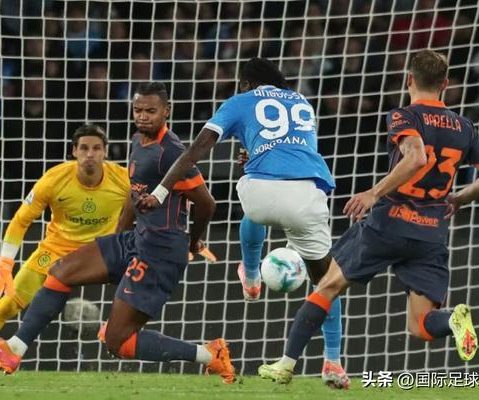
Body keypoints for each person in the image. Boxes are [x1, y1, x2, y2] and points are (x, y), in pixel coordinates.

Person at [258, 49, 479, 384]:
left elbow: (416, 157)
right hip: (431, 232)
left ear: (409, 80)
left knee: (327, 285)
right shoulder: (464, 126)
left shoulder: (405, 116)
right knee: (420, 326)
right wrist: (458, 199)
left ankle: (286, 364)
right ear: (445, 84)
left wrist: (373, 193)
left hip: (390, 222)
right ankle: (452, 321)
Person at [0, 82, 235, 384]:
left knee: (117, 341)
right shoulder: (138, 141)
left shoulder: (171, 152)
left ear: (166, 112)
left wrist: (193, 241)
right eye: (138, 110)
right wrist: (116, 242)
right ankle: (14, 349)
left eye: (150, 111)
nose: (143, 116)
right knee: (60, 271)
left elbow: (207, 204)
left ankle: (210, 354)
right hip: (136, 240)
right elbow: (134, 193)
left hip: (160, 252)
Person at [137, 58, 349, 388]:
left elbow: (197, 148)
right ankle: (333, 362)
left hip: (261, 195)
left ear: (247, 84)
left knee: (253, 190)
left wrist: (161, 191)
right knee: (327, 283)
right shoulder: (302, 102)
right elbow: (293, 152)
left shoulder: (241, 100)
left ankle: (251, 276)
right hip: (308, 197)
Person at [0, 124, 130, 372]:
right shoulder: (54, 179)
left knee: (139, 293)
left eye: (96, 148)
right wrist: (5, 264)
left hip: (101, 253)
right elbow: (21, 220)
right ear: (74, 151)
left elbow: (151, 207)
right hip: (56, 251)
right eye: (84, 148)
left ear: (105, 152)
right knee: (7, 304)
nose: (90, 154)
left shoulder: (123, 179)